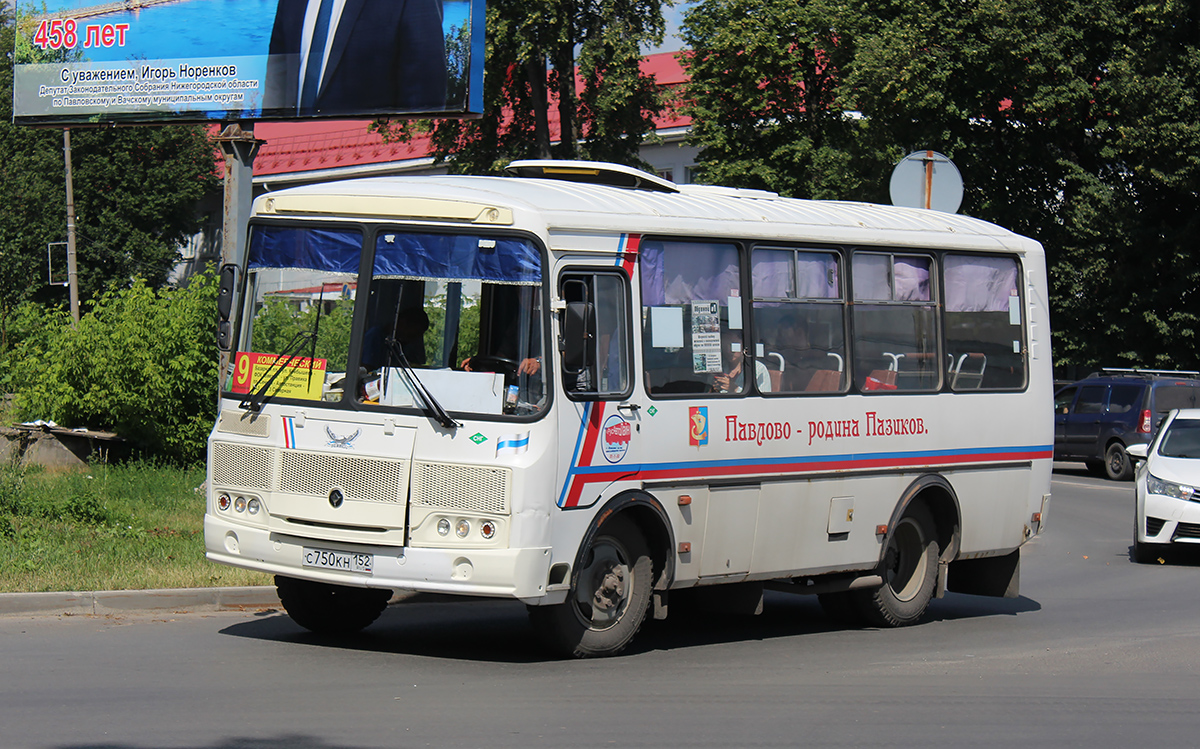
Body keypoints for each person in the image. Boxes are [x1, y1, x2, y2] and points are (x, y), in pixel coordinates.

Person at [264, 0, 448, 116]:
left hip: (373, 163)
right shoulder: (290, 3)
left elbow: (425, 92)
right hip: (294, 152)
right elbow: (276, 81)